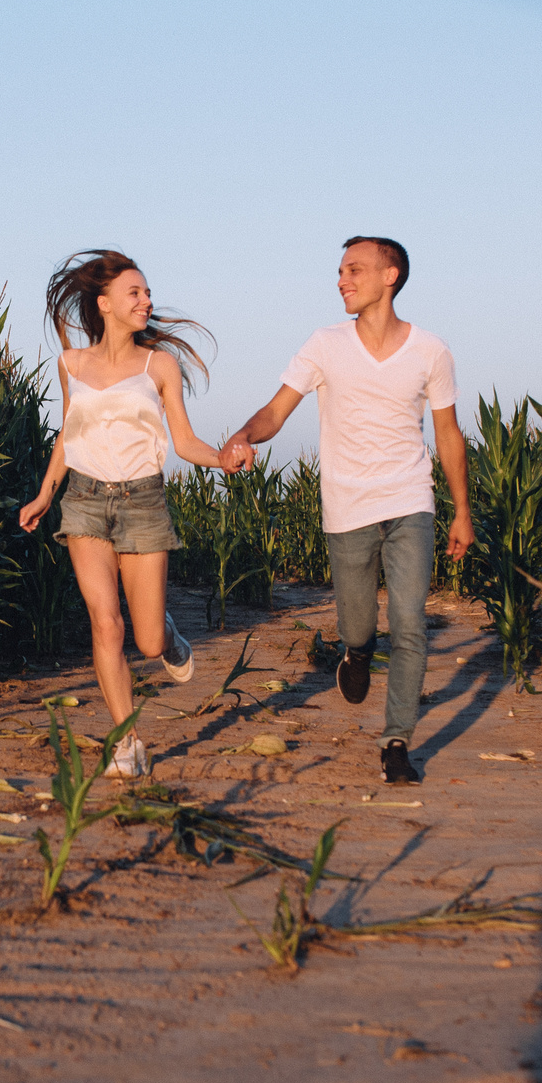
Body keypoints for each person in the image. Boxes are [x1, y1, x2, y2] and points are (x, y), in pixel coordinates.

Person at [223, 235, 472, 784]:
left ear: (390, 275)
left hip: (410, 501)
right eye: (340, 271)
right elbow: (276, 411)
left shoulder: (431, 351)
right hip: (348, 507)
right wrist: (244, 435)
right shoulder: (325, 344)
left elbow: (448, 434)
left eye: (354, 269)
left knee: (409, 624)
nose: (342, 280)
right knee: (358, 626)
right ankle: (357, 653)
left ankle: (396, 742)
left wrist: (462, 511)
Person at [18, 250, 245, 779]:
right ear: (104, 304)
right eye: (135, 293)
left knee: (146, 641)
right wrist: (46, 494)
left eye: (146, 293)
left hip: (142, 503)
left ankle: (166, 633)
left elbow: (183, 441)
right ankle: (127, 743)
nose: (146, 301)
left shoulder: (158, 365)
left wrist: (222, 458)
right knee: (106, 623)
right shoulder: (71, 364)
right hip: (84, 501)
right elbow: (69, 434)